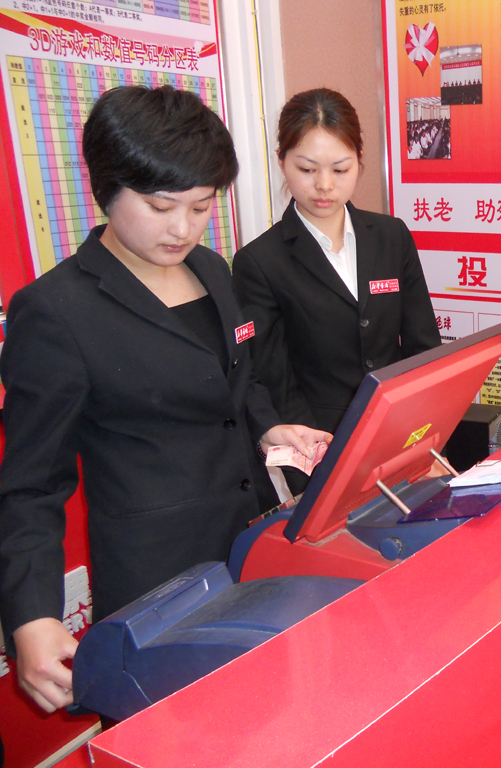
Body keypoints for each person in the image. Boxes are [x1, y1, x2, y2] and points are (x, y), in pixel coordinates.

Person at [0, 86, 331, 714]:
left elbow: (237, 382)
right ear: (107, 189)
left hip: (250, 547)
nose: (182, 228)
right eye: (159, 206)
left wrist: (269, 429)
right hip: (158, 585)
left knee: (267, 717)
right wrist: (32, 616)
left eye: (201, 206)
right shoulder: (55, 311)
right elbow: (30, 484)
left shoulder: (210, 269)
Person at [233, 88, 441, 493]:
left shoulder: (391, 236)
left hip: (403, 438)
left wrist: (428, 438)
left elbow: (423, 347)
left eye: (340, 169)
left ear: (359, 163)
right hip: (323, 453)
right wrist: (319, 474)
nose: (324, 185)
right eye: (307, 169)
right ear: (281, 161)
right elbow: (276, 382)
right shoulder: (259, 262)